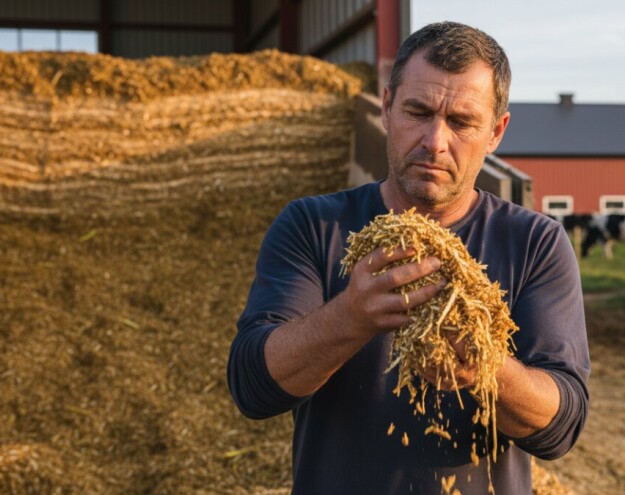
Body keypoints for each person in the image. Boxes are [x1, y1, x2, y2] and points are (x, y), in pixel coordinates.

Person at [227, 21, 589, 494]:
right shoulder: (314, 226)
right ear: (387, 107)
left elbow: (561, 425)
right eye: (418, 111)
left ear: (496, 131)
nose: (435, 141)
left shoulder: (535, 242)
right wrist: (351, 317)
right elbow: (253, 388)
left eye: (461, 122)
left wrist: (483, 367)